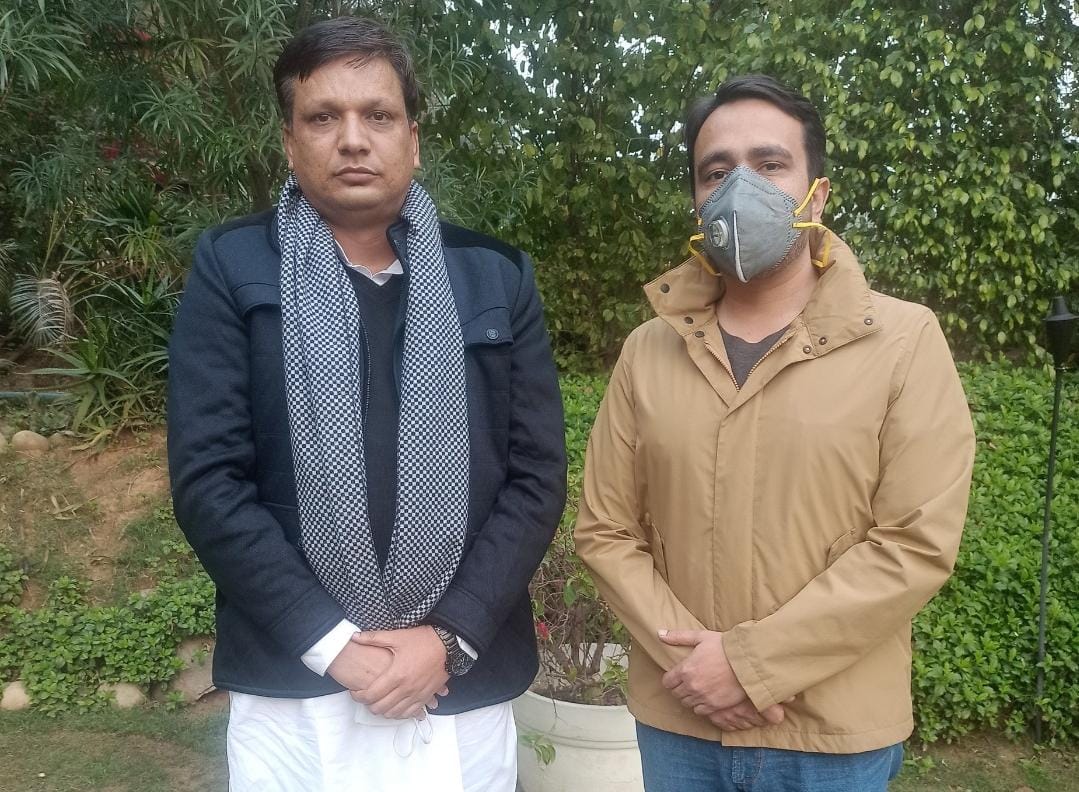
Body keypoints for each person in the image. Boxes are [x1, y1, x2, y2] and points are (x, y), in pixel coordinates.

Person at [167, 16, 566, 792]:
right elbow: (209, 481)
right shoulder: (233, 266)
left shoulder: (494, 275)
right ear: (289, 142)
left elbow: (535, 477)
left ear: (412, 140)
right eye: (323, 117)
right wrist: (333, 645)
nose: (352, 139)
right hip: (297, 684)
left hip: (458, 682)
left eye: (377, 115)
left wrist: (446, 638)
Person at [573, 74, 975, 792]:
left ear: (816, 195)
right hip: (680, 725)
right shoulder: (647, 351)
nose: (740, 188)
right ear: (697, 201)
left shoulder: (903, 341)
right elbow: (606, 531)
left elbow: (914, 542)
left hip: (830, 737)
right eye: (716, 172)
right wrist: (695, 668)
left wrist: (749, 666)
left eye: (769, 164)